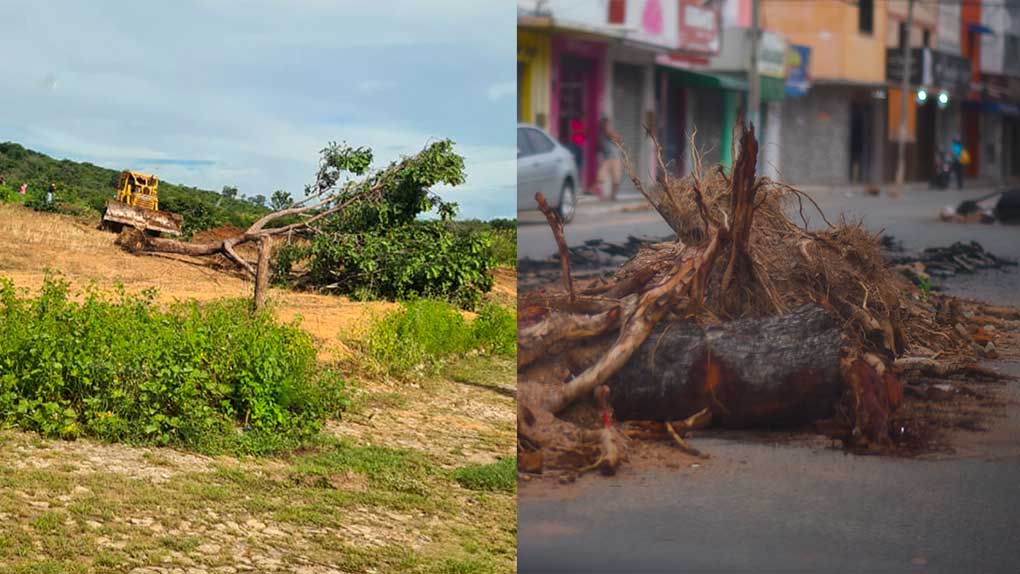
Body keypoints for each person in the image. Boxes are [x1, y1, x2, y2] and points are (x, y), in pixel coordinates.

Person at [596, 116, 623, 201]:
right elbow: (599, 147)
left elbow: (619, 140)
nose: (605, 126)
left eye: (607, 124)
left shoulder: (611, 133)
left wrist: (609, 133)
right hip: (606, 159)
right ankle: (599, 195)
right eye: (604, 124)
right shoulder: (600, 136)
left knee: (616, 179)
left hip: (615, 158)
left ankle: (613, 196)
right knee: (600, 177)